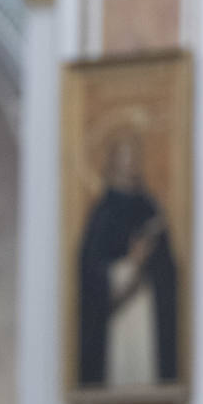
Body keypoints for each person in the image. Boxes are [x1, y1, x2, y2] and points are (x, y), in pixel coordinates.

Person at [78, 130, 179, 388]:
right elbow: (89, 274)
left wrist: (152, 265)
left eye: (134, 157)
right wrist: (130, 264)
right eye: (125, 157)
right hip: (118, 321)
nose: (130, 163)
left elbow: (168, 272)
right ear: (114, 163)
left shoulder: (149, 208)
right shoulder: (103, 214)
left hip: (146, 310)